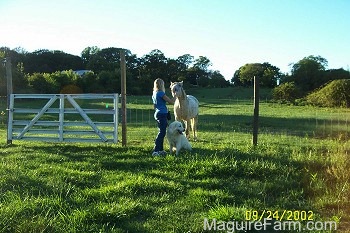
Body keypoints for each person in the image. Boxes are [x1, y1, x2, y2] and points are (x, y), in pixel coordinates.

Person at [152, 78, 175, 156]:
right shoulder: (161, 93)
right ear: (162, 85)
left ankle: (160, 150)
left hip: (158, 113)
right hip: (162, 114)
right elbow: (171, 102)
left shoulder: (154, 94)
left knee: (161, 131)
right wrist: (176, 95)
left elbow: (154, 106)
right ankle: (156, 150)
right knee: (162, 133)